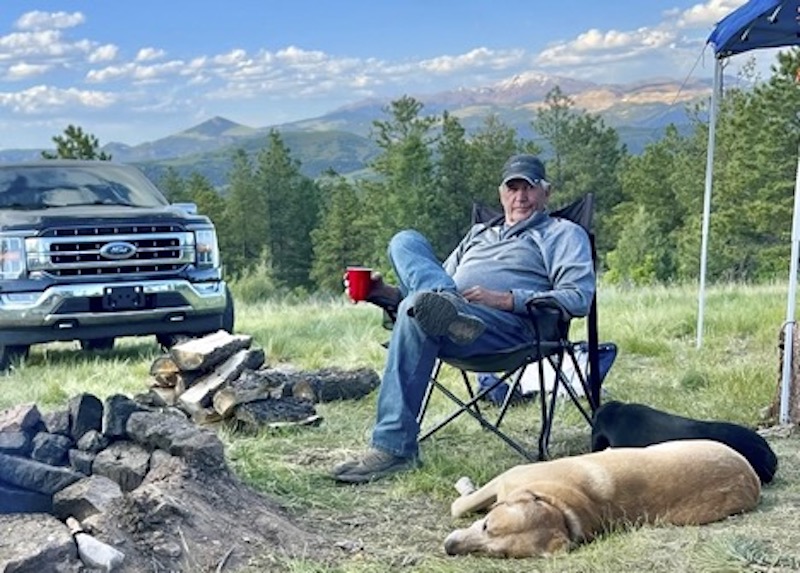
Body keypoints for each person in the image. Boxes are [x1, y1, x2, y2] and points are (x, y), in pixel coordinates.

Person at [331, 154, 596, 483]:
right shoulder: (478, 234)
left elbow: (578, 297)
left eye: (528, 188)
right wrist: (381, 293)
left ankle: (393, 448)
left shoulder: (563, 234)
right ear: (501, 194)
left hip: (512, 328)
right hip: (453, 319)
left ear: (546, 192)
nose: (520, 197)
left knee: (421, 306)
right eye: (512, 189)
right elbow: (427, 291)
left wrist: (506, 299)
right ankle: (395, 448)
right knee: (405, 242)